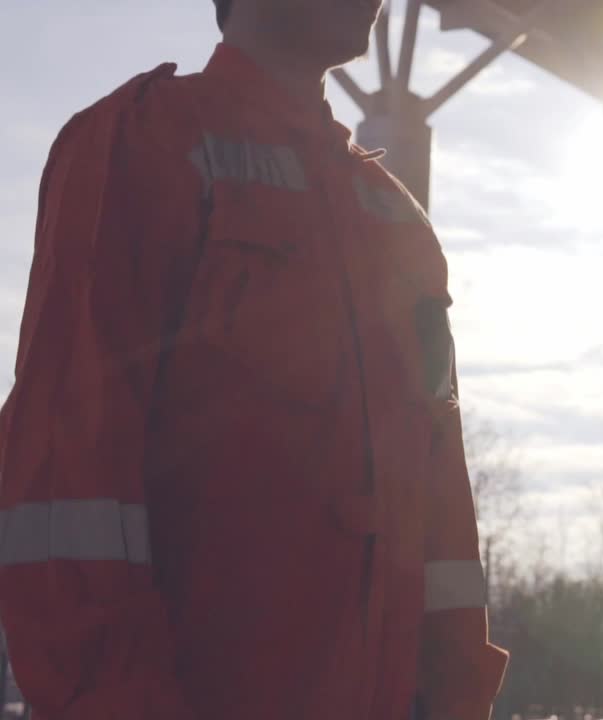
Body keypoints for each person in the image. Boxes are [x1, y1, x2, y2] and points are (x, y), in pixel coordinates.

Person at [0, 0, 508, 718]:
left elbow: (441, 511)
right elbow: (67, 474)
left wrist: (456, 702)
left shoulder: (398, 224)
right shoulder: (145, 143)